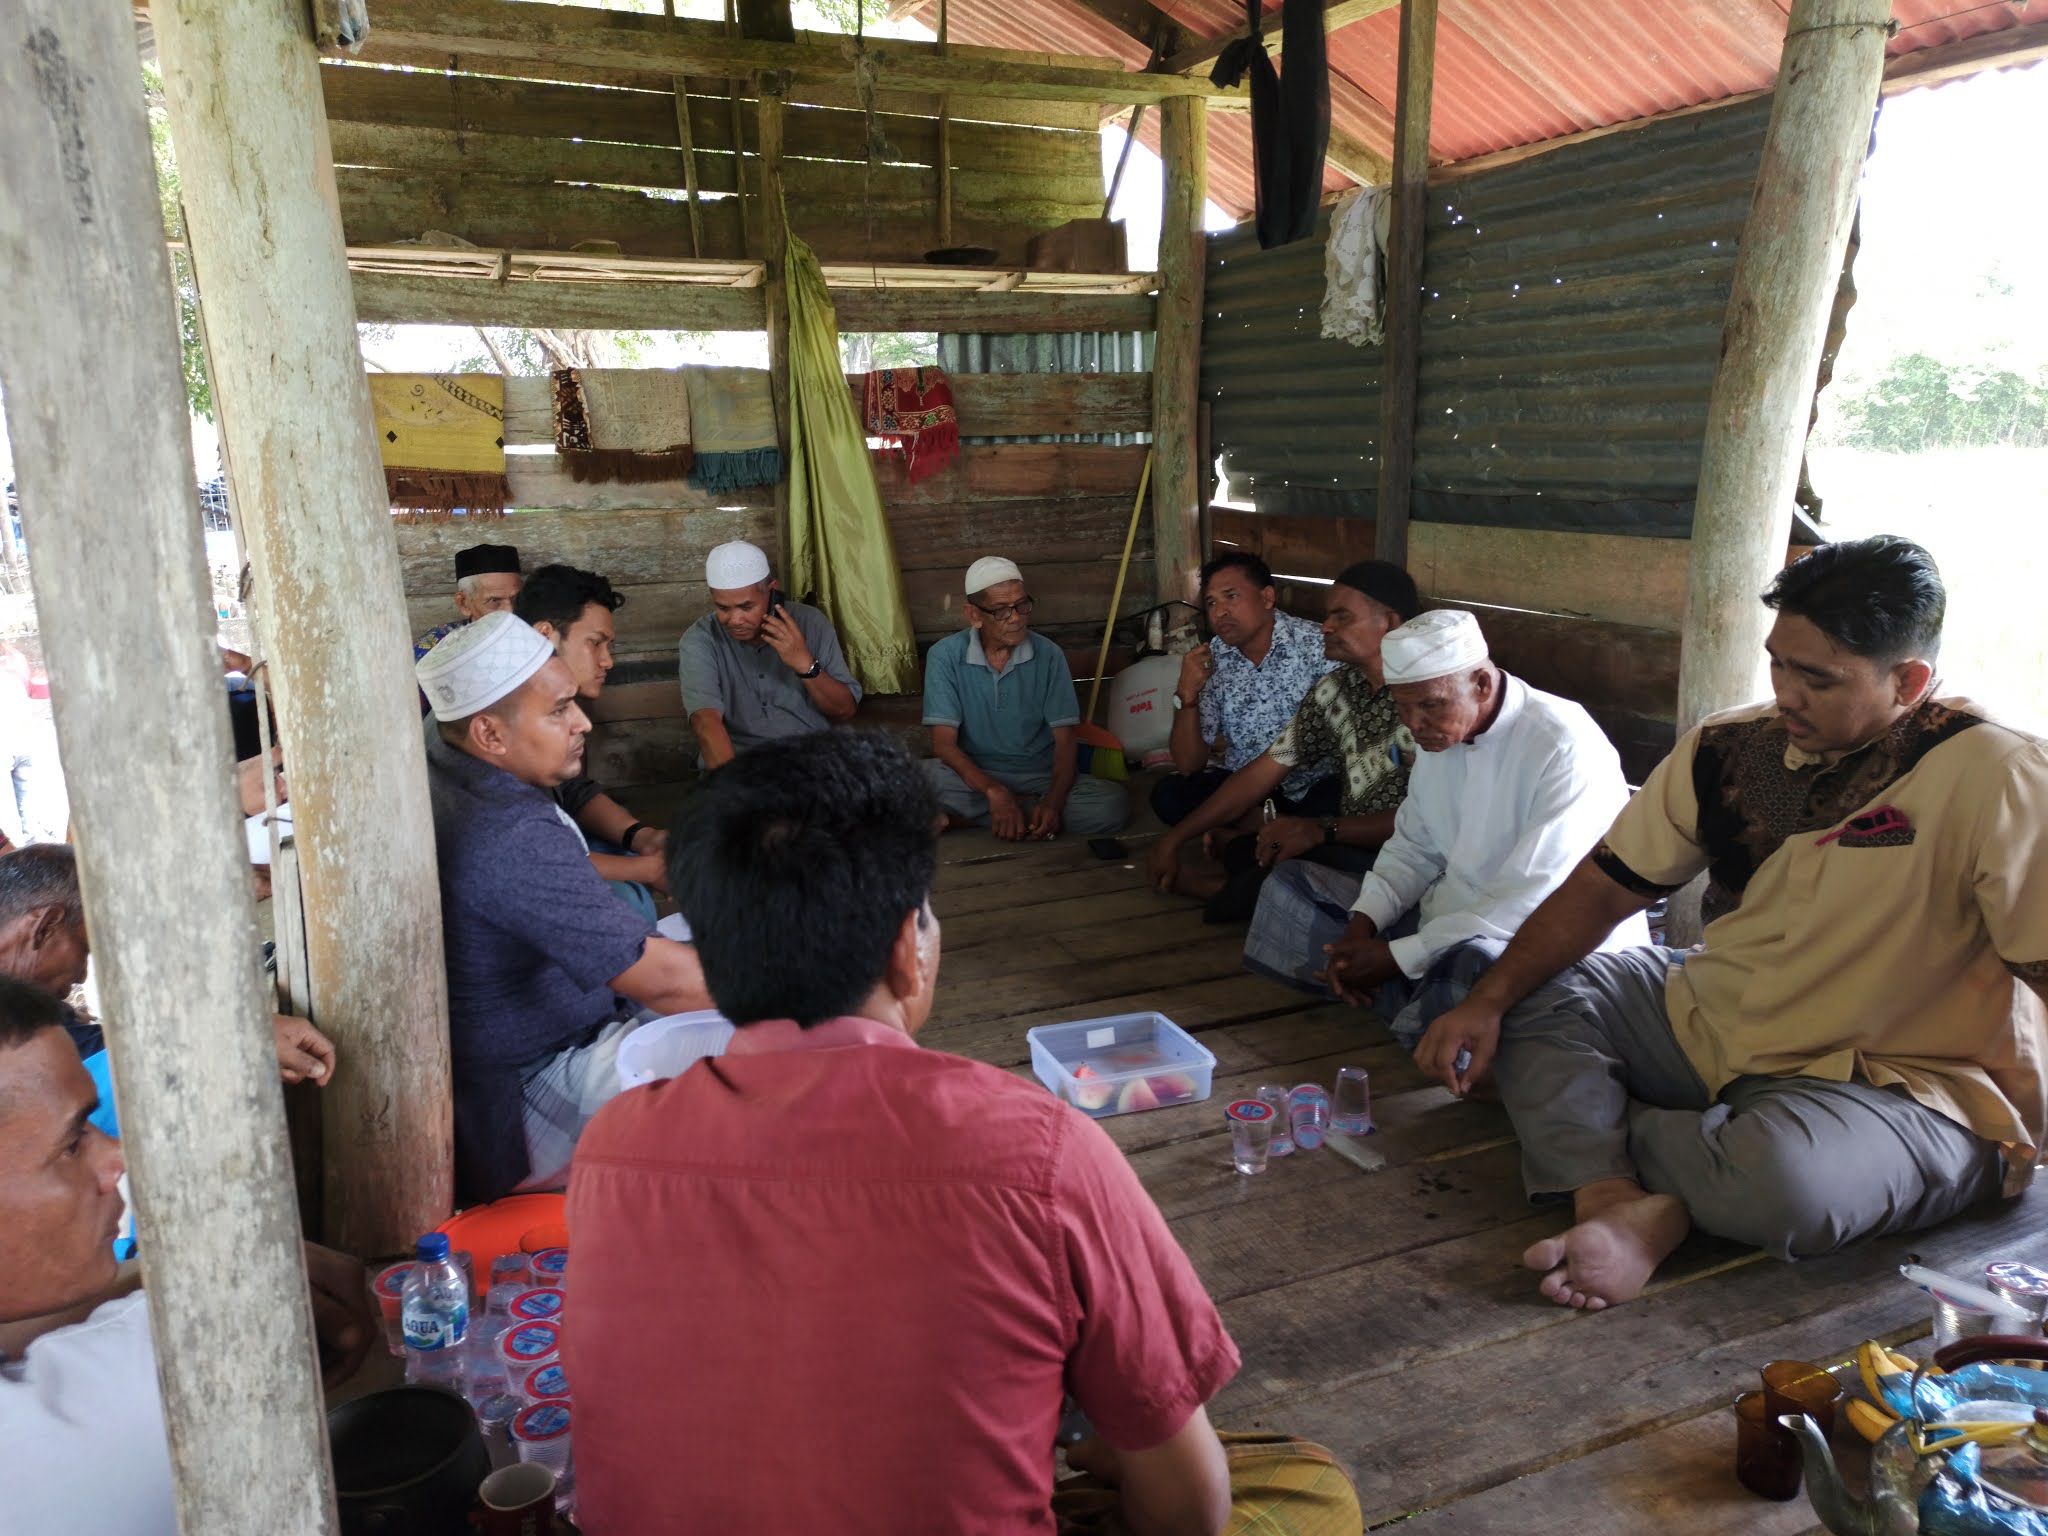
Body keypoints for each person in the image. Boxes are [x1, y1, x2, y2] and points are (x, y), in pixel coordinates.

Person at [565, 730, 1359, 1535]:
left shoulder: (612, 1146)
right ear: (905, 950)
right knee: (1309, 1486)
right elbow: (1190, 1513)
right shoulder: (1037, 1152)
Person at [1414, 537, 2048, 1312]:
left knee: (1789, 1186)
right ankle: (1613, 1196)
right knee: (1519, 988)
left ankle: (1596, 1136)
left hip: (1903, 1084)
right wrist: (1487, 1003)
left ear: (1909, 681)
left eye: (1817, 678)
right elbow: (1605, 887)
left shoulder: (2004, 776)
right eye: (1778, 664)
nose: (1787, 694)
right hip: (1716, 1016)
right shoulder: (1730, 746)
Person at [0, 977, 376, 1536]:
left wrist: (160, 1272)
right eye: (73, 1143)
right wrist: (237, 1276)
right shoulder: (125, 1410)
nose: (118, 1159)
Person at [417, 612, 713, 1203]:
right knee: (765, 1063)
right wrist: (826, 988)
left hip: (536, 1044)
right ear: (489, 735)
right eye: (558, 711)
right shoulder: (509, 833)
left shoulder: (441, 743)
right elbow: (666, 982)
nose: (583, 722)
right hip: (526, 1097)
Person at [1254, 609, 1648, 1024]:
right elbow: (1413, 847)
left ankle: (1414, 999)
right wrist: (1362, 925)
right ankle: (1404, 997)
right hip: (1443, 921)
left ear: (1480, 684)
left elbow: (1530, 902)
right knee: (1290, 886)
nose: (1414, 725)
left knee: (1471, 970)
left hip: (1531, 940)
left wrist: (1399, 955)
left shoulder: (1563, 745)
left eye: (1430, 705)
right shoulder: (1436, 737)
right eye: (1402, 707)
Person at [1146, 561, 1420, 921]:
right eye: (1211, 602)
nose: (1326, 627)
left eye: (1342, 617)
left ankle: (1218, 888)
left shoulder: (1425, 696)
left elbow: (1430, 821)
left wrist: (1321, 829)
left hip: (1402, 848)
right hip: (1337, 826)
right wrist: (1175, 838)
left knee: (1292, 855)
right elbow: (1264, 768)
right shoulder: (1338, 689)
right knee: (1258, 845)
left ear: (1389, 623)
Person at [0, 843, 334, 1107]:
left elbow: (102, 1049)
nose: (82, 974)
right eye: (85, 949)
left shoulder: (27, 1001)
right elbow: (85, 1081)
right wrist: (230, 1035)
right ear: (44, 928)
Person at [921, 556, 1130, 840]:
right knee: (898, 782)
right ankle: (1019, 812)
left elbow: (1065, 740)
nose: (1016, 618)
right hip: (972, 778)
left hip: (1037, 776)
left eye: (1021, 605)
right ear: (973, 615)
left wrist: (1053, 802)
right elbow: (943, 745)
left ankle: (980, 818)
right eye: (1001, 611)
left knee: (1111, 805)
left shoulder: (1049, 655)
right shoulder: (944, 656)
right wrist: (994, 791)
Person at [515, 564, 668, 923]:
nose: (607, 661)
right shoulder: (510, 713)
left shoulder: (553, 698)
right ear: (545, 635)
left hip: (553, 846)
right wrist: (647, 869)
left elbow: (573, 790)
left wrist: (641, 837)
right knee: (624, 903)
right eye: (595, 643)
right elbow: (531, 854)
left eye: (608, 646)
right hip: (526, 868)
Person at [1152, 551, 1340, 828]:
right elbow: (1189, 765)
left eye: (1231, 596)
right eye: (1211, 602)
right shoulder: (1211, 660)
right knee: (1169, 795)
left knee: (1341, 800)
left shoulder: (1316, 646)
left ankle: (1254, 829)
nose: (1220, 612)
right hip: (1241, 789)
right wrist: (1186, 693)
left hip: (1311, 787)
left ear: (1267, 598)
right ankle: (1272, 828)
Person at [678, 540, 860, 768]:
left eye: (746, 607)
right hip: (740, 767)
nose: (735, 620)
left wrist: (804, 664)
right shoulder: (700, 639)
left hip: (812, 763)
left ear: (772, 591)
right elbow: (706, 722)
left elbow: (844, 711)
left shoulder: (811, 623)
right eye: (723, 608)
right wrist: (732, 784)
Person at [414, 543, 523, 714]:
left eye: (517, 599)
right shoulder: (435, 646)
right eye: (494, 601)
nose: (510, 612)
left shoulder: (536, 637)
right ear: (464, 603)